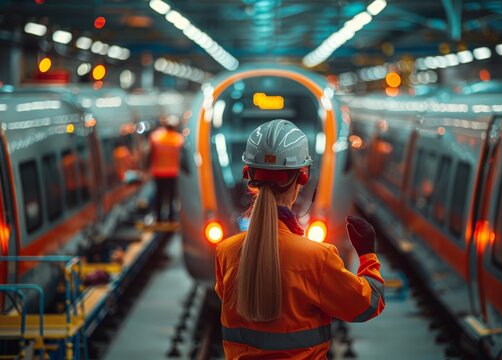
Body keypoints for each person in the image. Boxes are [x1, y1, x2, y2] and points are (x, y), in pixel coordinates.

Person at [215, 119, 385, 359]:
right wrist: (367, 255)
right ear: (302, 177)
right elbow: (368, 304)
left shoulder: (226, 252)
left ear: (248, 175)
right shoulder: (318, 257)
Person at [149, 114, 184, 222]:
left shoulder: (156, 137)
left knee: (159, 195)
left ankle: (158, 218)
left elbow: (150, 154)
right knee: (171, 195)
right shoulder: (178, 139)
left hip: (158, 172)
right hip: (173, 172)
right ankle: (170, 218)